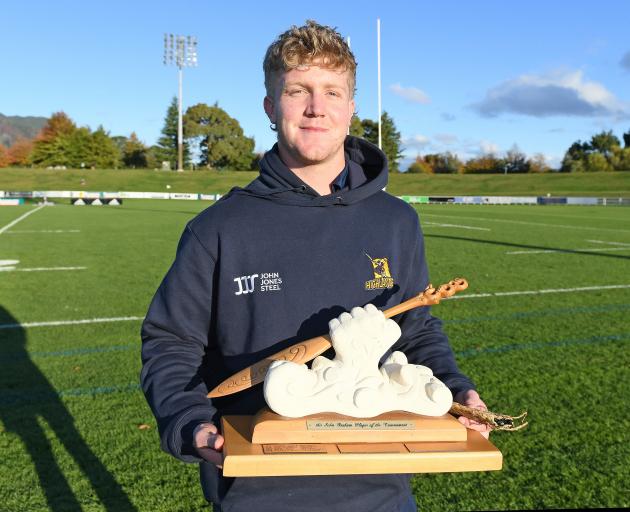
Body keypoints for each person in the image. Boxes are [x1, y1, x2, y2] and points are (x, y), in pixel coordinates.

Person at [141, 20, 490, 512]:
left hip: (381, 485)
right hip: (255, 486)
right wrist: (190, 419)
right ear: (270, 106)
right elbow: (171, 342)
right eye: (297, 90)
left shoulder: (396, 221)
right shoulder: (218, 228)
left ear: (351, 108)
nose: (315, 108)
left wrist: (457, 391)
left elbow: (414, 330)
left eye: (332, 91)